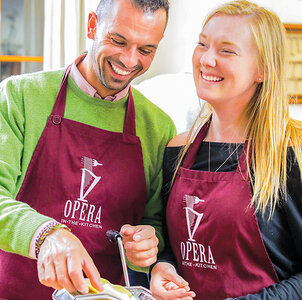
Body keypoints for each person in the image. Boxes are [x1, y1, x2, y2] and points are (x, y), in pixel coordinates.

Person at [149, 1, 302, 299]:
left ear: (262, 70)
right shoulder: (178, 150)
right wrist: (162, 268)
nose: (207, 59)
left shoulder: (300, 158)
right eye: (202, 44)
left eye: (227, 51)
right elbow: (170, 247)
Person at [0, 0, 175, 299]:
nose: (129, 60)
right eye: (118, 41)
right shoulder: (20, 96)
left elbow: (155, 223)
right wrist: (47, 235)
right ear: (92, 25)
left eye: (146, 50)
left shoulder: (158, 127)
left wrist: (147, 243)